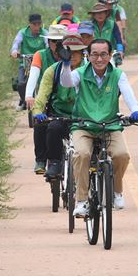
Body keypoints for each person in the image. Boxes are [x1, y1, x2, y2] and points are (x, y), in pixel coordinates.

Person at [60, 38, 138, 217]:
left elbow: (128, 93)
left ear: (110, 55)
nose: (99, 59)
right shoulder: (80, 73)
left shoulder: (117, 75)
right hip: (84, 125)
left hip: (110, 125)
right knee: (81, 154)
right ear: (88, 56)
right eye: (95, 54)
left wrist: (135, 110)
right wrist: (66, 64)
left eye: (103, 54)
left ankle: (116, 191)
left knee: (122, 155)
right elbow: (66, 82)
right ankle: (81, 200)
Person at [31, 32, 88, 179]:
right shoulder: (53, 71)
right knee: (51, 128)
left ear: (83, 53)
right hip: (60, 115)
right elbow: (42, 95)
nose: (72, 55)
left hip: (85, 116)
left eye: (77, 51)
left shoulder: (90, 70)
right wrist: (38, 111)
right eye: (68, 51)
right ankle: (54, 163)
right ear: (61, 53)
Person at [25, 24, 66, 174]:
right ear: (49, 42)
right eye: (54, 41)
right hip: (45, 96)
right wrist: (29, 95)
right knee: (40, 123)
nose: (57, 45)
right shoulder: (40, 55)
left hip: (66, 97)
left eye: (61, 41)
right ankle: (41, 160)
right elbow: (34, 75)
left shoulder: (74, 55)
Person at [10, 13, 47, 111]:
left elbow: (48, 44)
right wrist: (14, 51)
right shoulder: (22, 33)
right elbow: (16, 43)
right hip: (25, 62)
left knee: (47, 81)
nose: (36, 26)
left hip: (41, 62)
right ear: (29, 24)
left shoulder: (44, 33)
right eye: (34, 24)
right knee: (21, 83)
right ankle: (23, 101)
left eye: (39, 24)